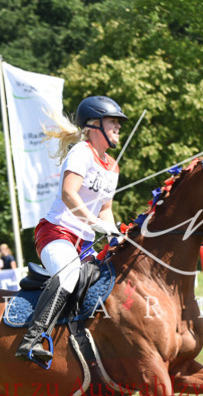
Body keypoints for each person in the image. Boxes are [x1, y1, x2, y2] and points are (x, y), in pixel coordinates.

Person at [16, 95, 126, 364]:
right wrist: (95, 223)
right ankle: (32, 340)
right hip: (56, 234)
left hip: (85, 244)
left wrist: (113, 232)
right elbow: (68, 194)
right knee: (68, 276)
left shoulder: (113, 166)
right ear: (94, 125)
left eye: (119, 124)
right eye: (112, 122)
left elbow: (105, 209)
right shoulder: (81, 152)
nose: (118, 128)